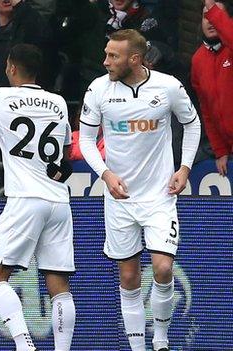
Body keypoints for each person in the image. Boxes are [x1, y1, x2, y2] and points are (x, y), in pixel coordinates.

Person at [79, 29, 201, 351]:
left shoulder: (168, 87)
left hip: (159, 196)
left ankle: (160, 339)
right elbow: (86, 141)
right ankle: (137, 348)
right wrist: (105, 174)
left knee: (163, 268)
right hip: (119, 200)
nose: (105, 61)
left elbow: (192, 123)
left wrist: (185, 167)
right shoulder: (98, 90)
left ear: (135, 58)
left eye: (113, 56)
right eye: (106, 54)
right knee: (130, 278)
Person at [0, 43, 76, 351]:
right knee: (59, 286)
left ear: (11, 67)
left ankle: (24, 345)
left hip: (25, 199)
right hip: (58, 201)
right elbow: (65, 153)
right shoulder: (58, 102)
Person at [191, 0, 233, 176]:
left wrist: (211, 6)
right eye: (205, 16)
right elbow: (206, 110)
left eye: (214, 14)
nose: (210, 20)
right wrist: (220, 150)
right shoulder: (198, 59)